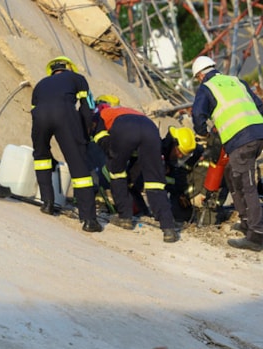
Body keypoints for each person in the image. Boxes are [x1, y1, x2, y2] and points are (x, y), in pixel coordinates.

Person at [191, 55, 263, 251]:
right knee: (232, 174)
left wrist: (203, 133)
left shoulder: (207, 87)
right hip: (257, 133)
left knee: (247, 184)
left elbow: (198, 114)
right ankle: (245, 221)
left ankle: (256, 234)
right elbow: (259, 106)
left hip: (242, 139)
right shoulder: (235, 81)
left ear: (200, 75)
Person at [90, 95, 180, 243]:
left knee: (117, 173)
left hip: (125, 129)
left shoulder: (101, 115)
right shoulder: (126, 109)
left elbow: (102, 139)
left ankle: (125, 217)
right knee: (155, 182)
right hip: (150, 129)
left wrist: (114, 156)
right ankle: (168, 228)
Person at [31, 56, 102, 232]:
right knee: (78, 165)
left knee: (41, 157)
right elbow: (87, 108)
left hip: (39, 117)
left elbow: (34, 110)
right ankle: (89, 220)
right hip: (64, 114)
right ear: (69, 68)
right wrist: (85, 134)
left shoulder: (40, 84)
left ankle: (47, 203)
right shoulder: (77, 79)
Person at [161, 126, 204, 223]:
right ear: (174, 144)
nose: (180, 156)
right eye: (179, 152)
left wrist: (185, 194)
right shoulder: (160, 153)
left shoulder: (195, 153)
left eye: (184, 155)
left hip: (183, 191)